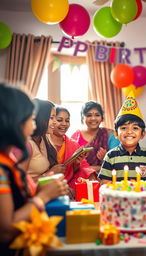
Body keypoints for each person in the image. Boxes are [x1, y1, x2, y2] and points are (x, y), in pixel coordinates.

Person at [0, 83, 68, 256]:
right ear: (13, 122)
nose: (33, 125)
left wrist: (44, 187)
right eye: (30, 119)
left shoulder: (10, 159)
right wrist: (44, 196)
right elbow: (6, 231)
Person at [98, 92, 146, 183]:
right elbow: (105, 184)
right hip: (118, 197)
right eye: (124, 128)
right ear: (116, 133)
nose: (129, 132)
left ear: (143, 134)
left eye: (135, 128)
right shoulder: (110, 156)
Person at [18, 99, 65, 182]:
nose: (55, 122)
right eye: (51, 118)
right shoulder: (27, 144)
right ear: (39, 118)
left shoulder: (45, 138)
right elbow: (20, 181)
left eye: (55, 118)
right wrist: (50, 173)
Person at [49, 106, 96, 189]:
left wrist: (76, 164)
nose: (64, 124)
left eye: (67, 120)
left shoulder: (73, 145)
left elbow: (83, 168)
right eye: (59, 120)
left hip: (69, 184)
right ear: (51, 121)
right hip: (49, 183)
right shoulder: (45, 142)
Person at [71, 101, 119, 172]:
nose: (93, 118)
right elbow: (70, 164)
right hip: (80, 179)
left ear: (102, 118)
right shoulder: (76, 137)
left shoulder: (110, 135)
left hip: (104, 178)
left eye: (97, 115)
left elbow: (117, 163)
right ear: (82, 118)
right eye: (89, 115)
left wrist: (106, 159)